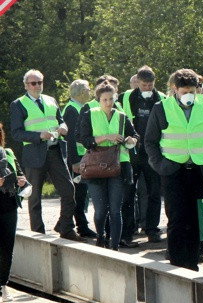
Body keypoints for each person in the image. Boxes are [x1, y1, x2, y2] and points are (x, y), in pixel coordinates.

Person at [145, 69, 203, 271]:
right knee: (176, 219)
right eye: (185, 91)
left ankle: (192, 264)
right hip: (173, 172)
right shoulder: (161, 107)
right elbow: (150, 141)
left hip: (200, 172)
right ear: (175, 89)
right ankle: (176, 266)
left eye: (192, 91)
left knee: (195, 220)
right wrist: (160, 166)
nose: (189, 95)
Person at [9, 69, 81, 241]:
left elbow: (61, 121)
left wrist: (63, 127)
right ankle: (38, 234)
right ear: (26, 86)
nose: (37, 86)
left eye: (39, 82)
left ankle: (66, 227)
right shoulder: (18, 104)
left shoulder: (51, 100)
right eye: (33, 83)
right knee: (34, 197)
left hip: (55, 151)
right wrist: (39, 136)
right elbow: (16, 133)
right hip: (34, 154)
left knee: (69, 190)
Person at [78, 82, 139, 250]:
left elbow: (134, 135)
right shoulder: (89, 114)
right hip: (96, 167)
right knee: (100, 211)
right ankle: (101, 236)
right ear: (98, 100)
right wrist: (106, 137)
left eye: (111, 99)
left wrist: (131, 140)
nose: (108, 102)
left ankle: (114, 247)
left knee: (115, 210)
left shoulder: (121, 116)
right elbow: (84, 139)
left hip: (118, 166)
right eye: (104, 99)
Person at [121, 66, 165, 244]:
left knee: (154, 191)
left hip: (153, 152)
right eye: (144, 85)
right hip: (132, 151)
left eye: (150, 85)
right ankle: (127, 230)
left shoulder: (161, 98)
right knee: (128, 192)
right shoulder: (126, 97)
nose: (147, 88)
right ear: (137, 82)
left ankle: (152, 229)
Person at [62, 79, 96, 238]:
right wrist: (75, 161)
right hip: (77, 159)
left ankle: (63, 223)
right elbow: (70, 138)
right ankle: (81, 226)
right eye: (88, 89)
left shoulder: (79, 108)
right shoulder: (72, 110)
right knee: (79, 194)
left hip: (82, 156)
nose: (90, 92)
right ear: (82, 92)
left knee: (81, 193)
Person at [0, 123, 28, 303]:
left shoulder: (8, 153)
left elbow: (20, 174)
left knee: (7, 247)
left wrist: (21, 180)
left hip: (8, 205)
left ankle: (3, 285)